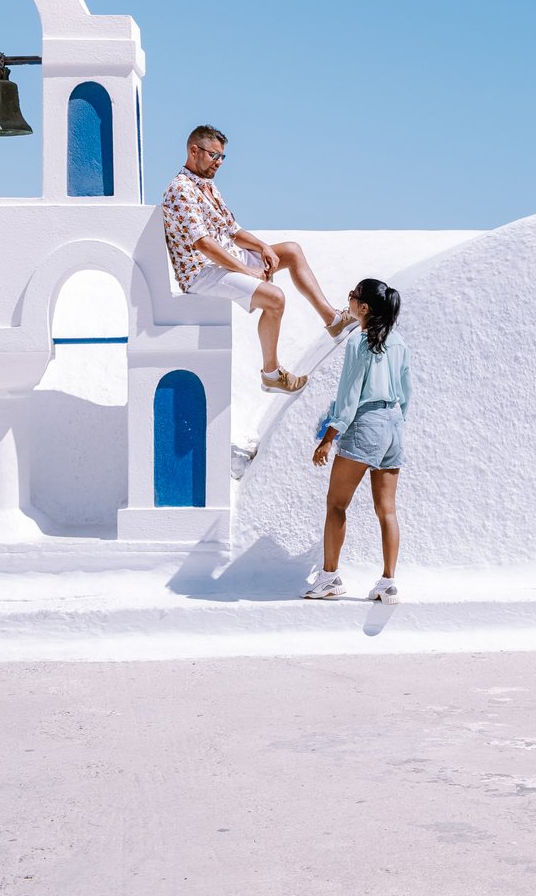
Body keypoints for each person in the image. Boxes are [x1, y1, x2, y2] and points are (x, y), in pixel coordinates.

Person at [162, 124, 351, 394]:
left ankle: (333, 321)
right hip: (201, 273)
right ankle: (272, 374)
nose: (219, 163)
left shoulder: (207, 187)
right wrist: (246, 271)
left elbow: (232, 231)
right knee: (275, 299)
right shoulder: (181, 189)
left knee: (291, 250)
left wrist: (263, 247)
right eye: (214, 156)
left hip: (225, 259)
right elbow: (203, 244)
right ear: (194, 150)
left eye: (222, 157)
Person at [304, 278, 411, 604]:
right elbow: (406, 395)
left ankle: (329, 579)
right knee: (386, 510)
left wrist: (328, 437)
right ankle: (388, 582)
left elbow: (348, 397)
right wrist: (393, 424)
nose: (348, 298)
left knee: (337, 504)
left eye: (353, 295)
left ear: (363, 308)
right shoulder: (399, 342)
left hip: (365, 424)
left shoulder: (359, 342)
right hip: (393, 426)